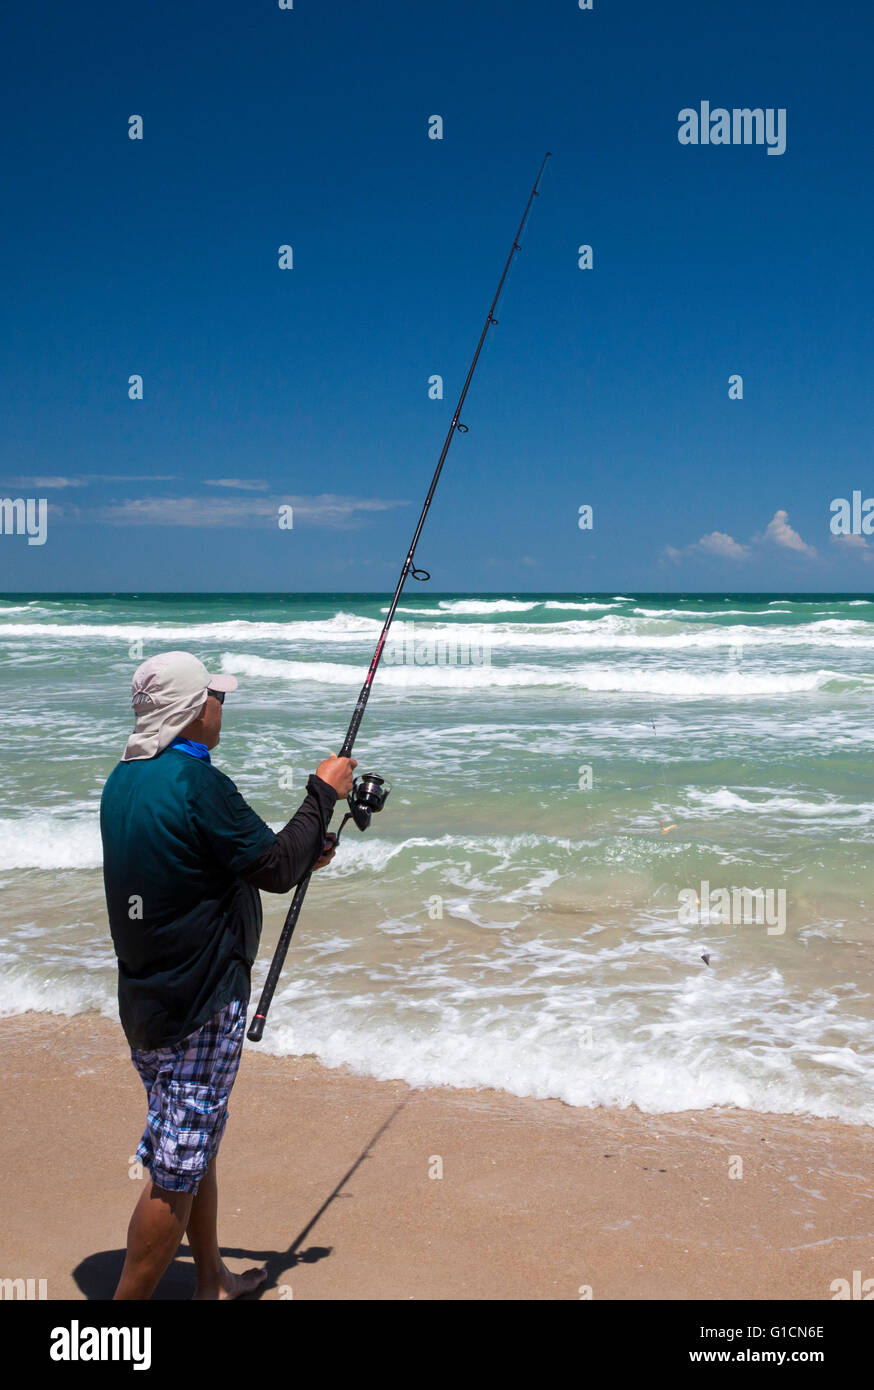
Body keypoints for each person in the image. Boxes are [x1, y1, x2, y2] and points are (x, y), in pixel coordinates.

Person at [100, 650, 356, 1300]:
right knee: (175, 1170)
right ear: (192, 709)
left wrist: (301, 854)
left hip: (146, 1002)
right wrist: (321, 793)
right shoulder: (197, 785)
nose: (222, 705)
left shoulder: (125, 781)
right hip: (199, 1006)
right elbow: (271, 868)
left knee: (193, 1139)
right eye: (215, 695)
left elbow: (211, 865)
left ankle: (210, 1279)